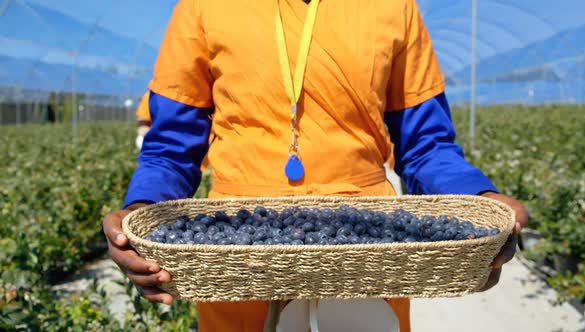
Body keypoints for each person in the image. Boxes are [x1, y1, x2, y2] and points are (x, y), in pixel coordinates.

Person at [103, 0, 528, 331]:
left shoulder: (393, 7)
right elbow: (171, 148)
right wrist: (141, 210)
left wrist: (479, 199)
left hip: (368, 248)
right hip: (235, 255)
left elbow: (426, 145)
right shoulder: (204, 6)